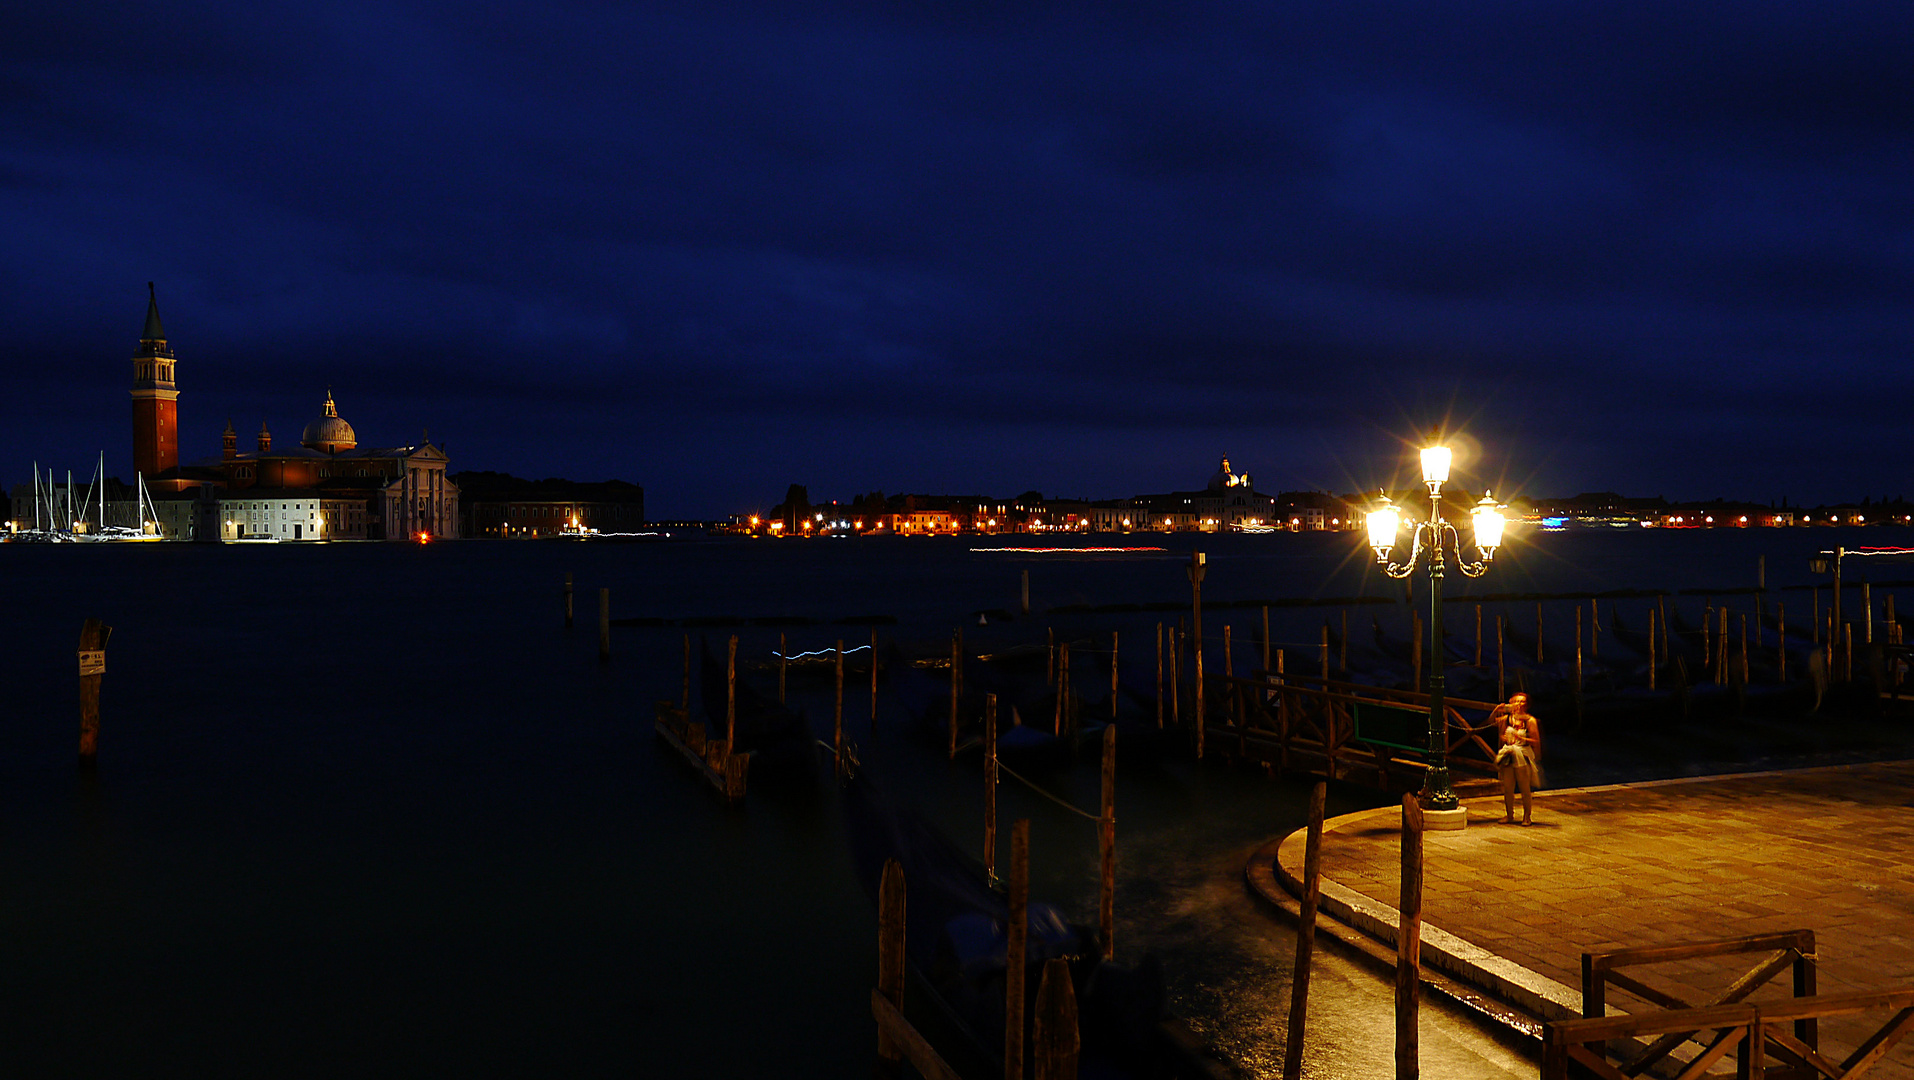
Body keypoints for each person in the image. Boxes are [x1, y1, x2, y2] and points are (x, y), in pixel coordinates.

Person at [1488, 692, 1543, 825]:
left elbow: (1535, 741)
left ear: (1527, 704)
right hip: (1509, 754)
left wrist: (1520, 738)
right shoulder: (1507, 719)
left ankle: (1527, 816)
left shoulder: (1529, 720)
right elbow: (1491, 723)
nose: (1519, 704)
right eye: (1516, 701)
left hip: (1522, 755)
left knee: (1524, 787)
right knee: (1508, 787)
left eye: (1522, 701)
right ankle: (1509, 814)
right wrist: (1497, 710)